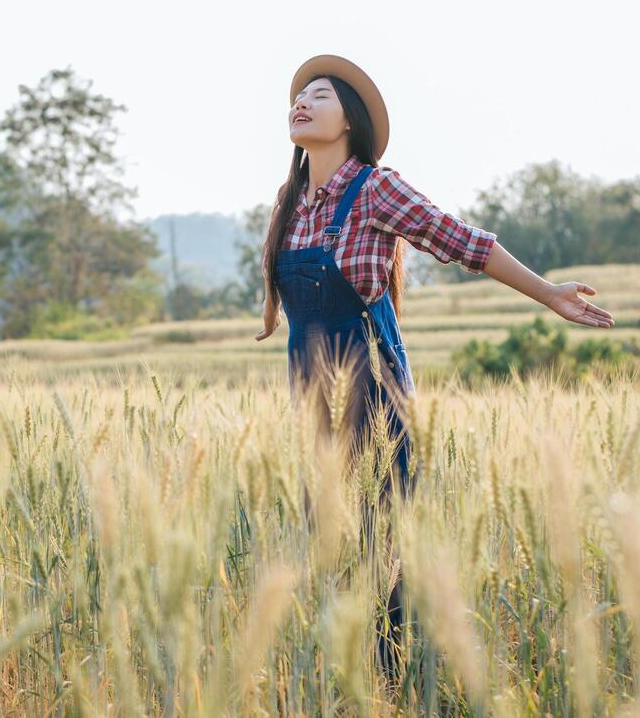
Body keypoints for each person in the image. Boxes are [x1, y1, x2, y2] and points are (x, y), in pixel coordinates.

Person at [253, 53, 614, 684]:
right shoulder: (291, 199)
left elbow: (459, 239)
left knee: (382, 539)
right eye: (298, 95)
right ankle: (345, 677)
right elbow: (280, 278)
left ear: (349, 122)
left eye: (321, 96)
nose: (301, 103)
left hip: (373, 390)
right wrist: (271, 313)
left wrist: (547, 292)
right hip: (310, 390)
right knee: (327, 538)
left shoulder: (375, 188)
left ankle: (394, 682)